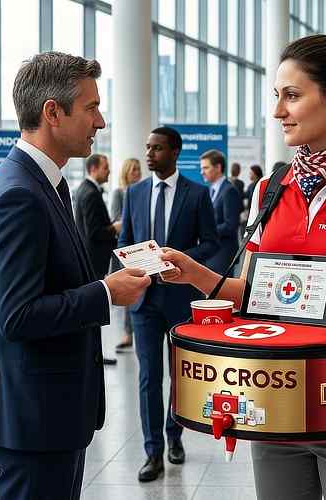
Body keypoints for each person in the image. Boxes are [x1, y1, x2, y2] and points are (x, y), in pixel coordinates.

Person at [160, 34, 326, 500]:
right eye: (277, 96)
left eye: (292, 96)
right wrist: (195, 273)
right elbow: (253, 293)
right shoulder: (271, 189)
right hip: (278, 402)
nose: (277, 111)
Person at [0, 52, 152, 500]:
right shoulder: (20, 194)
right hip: (33, 416)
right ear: (53, 112)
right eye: (91, 108)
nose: (102, 121)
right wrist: (106, 291)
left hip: (47, 411)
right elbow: (19, 315)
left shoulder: (41, 183)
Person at [119, 126, 218, 482]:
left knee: (179, 375)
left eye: (157, 148)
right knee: (148, 377)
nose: (149, 154)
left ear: (174, 152)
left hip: (180, 299)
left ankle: (174, 436)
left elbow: (210, 242)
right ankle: (153, 452)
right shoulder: (134, 193)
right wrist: (132, 261)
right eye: (147, 147)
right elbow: (126, 241)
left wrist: (181, 261)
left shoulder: (197, 194)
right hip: (144, 300)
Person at [73, 153, 120, 366]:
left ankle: (94, 355)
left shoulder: (83, 189)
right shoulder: (90, 193)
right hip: (94, 259)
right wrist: (115, 228)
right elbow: (94, 232)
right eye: (105, 167)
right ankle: (94, 355)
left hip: (89, 258)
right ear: (93, 169)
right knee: (95, 307)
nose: (108, 171)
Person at [109, 158, 143, 352]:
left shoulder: (145, 191)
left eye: (138, 169)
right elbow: (116, 221)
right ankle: (127, 332)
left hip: (143, 250)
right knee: (129, 293)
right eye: (133, 170)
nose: (137, 173)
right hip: (127, 249)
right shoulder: (120, 193)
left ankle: (134, 331)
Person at [200, 149, 242, 276]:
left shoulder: (229, 191)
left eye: (206, 168)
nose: (202, 172)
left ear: (218, 167)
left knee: (221, 294)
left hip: (223, 253)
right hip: (212, 252)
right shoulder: (211, 190)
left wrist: (205, 232)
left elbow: (231, 225)